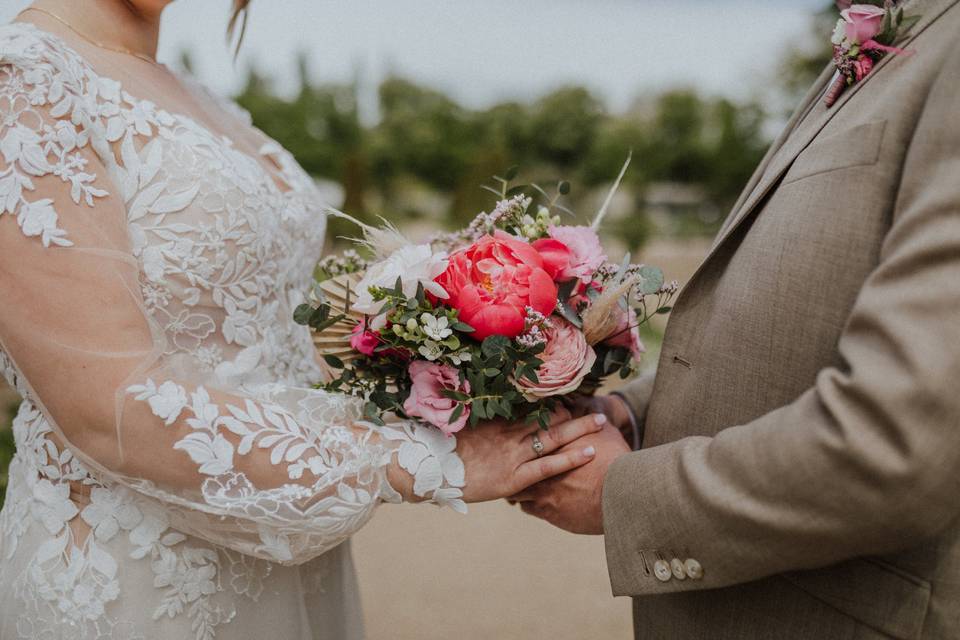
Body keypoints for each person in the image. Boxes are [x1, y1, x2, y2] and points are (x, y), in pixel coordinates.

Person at [0, 2, 602, 638]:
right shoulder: (23, 84)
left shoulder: (203, 98)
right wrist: (420, 461)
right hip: (136, 580)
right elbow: (106, 409)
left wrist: (454, 371)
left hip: (288, 555)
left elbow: (267, 341)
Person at [516, 0, 960, 637]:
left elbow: (901, 441)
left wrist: (627, 495)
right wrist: (633, 413)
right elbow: (799, 327)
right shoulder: (882, 36)